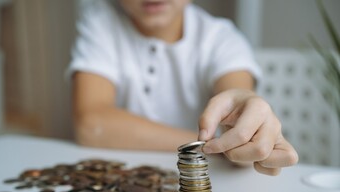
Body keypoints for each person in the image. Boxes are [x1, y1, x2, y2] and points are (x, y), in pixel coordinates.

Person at [67, 0, 298, 176]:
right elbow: (91, 124)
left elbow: (239, 103)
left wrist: (248, 118)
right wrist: (211, 146)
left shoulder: (222, 39)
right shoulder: (100, 26)